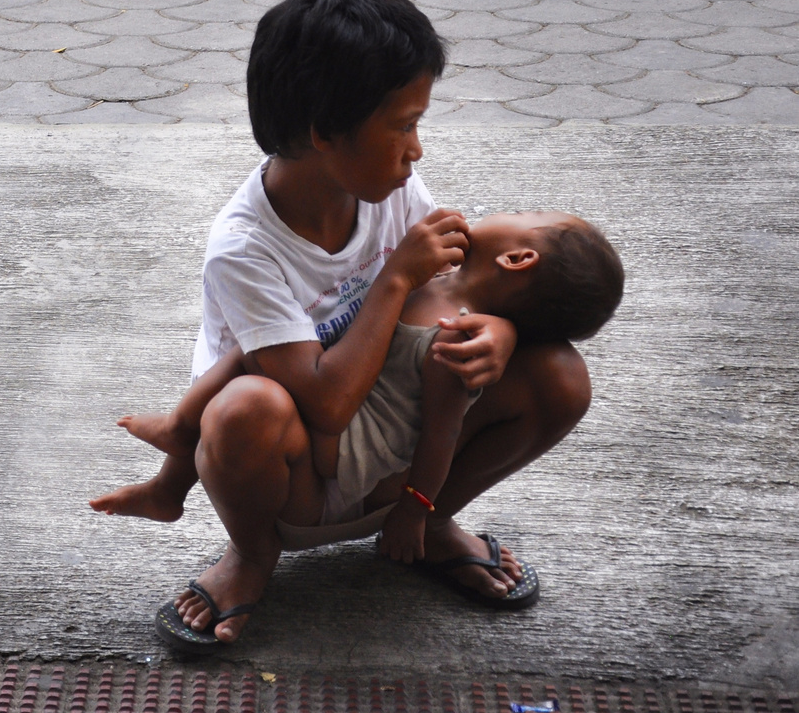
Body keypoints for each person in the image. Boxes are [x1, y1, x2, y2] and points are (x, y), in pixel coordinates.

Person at [86, 0, 600, 653]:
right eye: (404, 125)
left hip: (401, 458)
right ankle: (251, 554)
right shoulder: (244, 250)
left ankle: (432, 518)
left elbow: (455, 285)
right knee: (246, 404)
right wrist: (393, 278)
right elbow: (324, 406)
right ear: (324, 132)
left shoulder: (391, 186)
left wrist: (499, 329)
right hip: (292, 477)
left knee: (560, 374)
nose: (417, 148)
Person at [94, 210, 623, 653]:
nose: (506, 212)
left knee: (264, 365)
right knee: (268, 345)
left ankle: (429, 528)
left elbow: (443, 431)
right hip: (312, 432)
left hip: (345, 454)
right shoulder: (427, 269)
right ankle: (205, 501)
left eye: (527, 216)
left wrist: (417, 508)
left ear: (517, 258)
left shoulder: (451, 336)